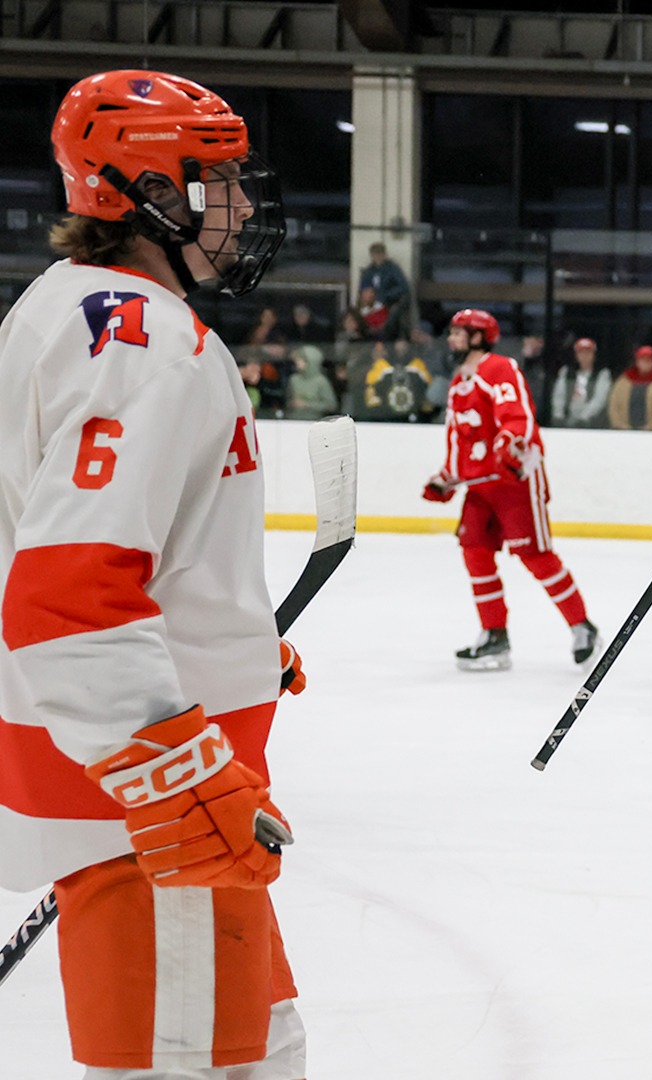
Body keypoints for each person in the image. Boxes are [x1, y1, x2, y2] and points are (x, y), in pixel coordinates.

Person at [0, 69, 310, 1080]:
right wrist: (179, 776)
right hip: (156, 815)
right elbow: (69, 596)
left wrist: (234, 646)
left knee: (260, 1051)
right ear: (152, 193)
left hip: (139, 786)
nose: (246, 207)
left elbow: (103, 555)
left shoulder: (63, 308)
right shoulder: (147, 345)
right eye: (221, 181)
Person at [421, 308, 598, 670]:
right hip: (480, 487)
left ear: (477, 337)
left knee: (535, 555)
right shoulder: (459, 384)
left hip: (514, 481)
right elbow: (461, 443)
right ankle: (494, 635)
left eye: (459, 332)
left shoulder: (499, 367)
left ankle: (582, 626)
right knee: (474, 551)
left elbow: (516, 416)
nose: (451, 338)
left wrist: (510, 441)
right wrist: (447, 477)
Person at [608, 343, 652, 430]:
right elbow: (613, 406)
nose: (646, 363)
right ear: (637, 361)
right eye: (642, 359)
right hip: (624, 432)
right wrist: (620, 425)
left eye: (649, 360)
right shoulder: (623, 382)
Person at [549, 336, 612, 428]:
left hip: (591, 422)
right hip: (567, 420)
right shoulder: (566, 372)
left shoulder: (602, 374)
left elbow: (599, 399)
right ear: (576, 355)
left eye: (588, 352)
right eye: (581, 353)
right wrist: (559, 416)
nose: (584, 356)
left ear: (593, 355)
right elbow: (559, 396)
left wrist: (584, 418)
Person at [357, 241, 410, 339]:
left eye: (379, 254)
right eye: (374, 254)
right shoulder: (369, 271)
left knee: (394, 313)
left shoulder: (393, 269)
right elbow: (363, 289)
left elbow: (403, 287)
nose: (377, 257)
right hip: (373, 303)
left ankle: (385, 333)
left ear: (385, 254)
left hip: (390, 302)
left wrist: (386, 295)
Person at [283, 344, 339, 420]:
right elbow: (287, 401)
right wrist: (292, 403)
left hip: (313, 421)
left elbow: (331, 405)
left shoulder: (321, 381)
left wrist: (306, 405)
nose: (297, 362)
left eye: (301, 360)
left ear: (310, 361)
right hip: (293, 420)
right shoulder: (294, 379)